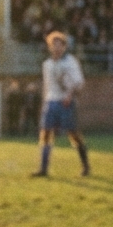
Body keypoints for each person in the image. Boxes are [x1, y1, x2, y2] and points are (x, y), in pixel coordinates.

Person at [33, 31, 89, 177]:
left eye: (60, 45)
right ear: (49, 47)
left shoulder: (70, 61)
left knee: (73, 134)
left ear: (64, 46)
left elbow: (79, 82)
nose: (56, 48)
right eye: (53, 45)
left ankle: (85, 165)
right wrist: (44, 103)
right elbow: (47, 86)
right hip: (51, 102)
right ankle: (43, 168)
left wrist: (70, 95)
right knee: (45, 133)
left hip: (66, 102)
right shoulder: (47, 64)